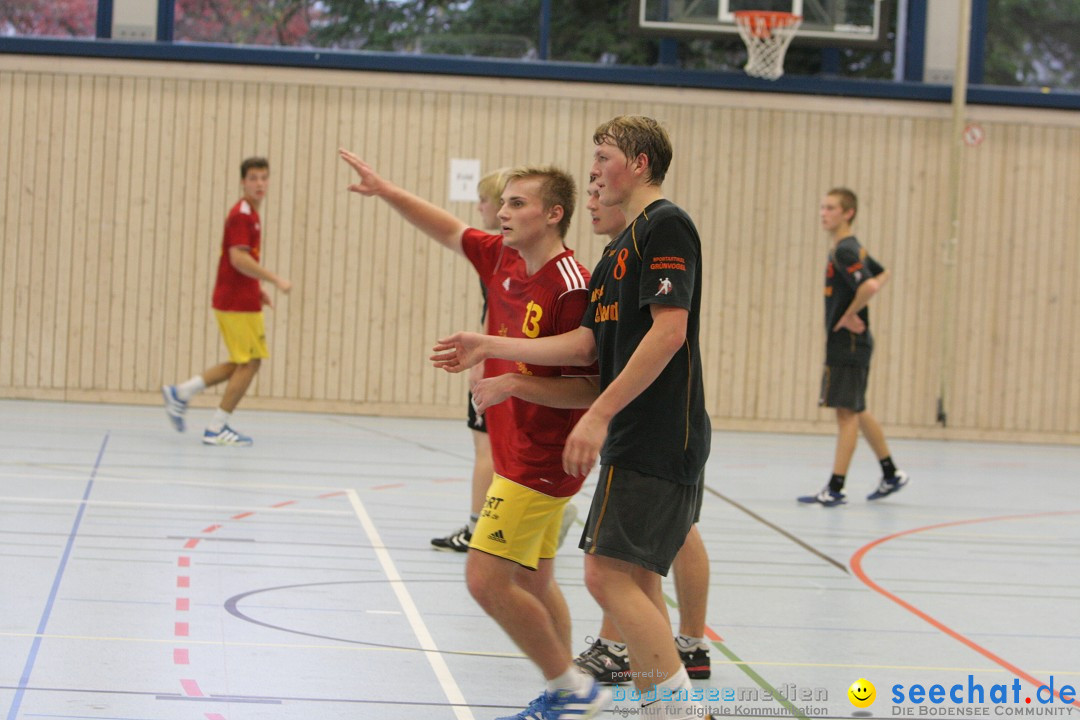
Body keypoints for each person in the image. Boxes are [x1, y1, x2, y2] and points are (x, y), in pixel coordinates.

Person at [433, 115, 711, 720]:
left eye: (603, 162)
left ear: (638, 164)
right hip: (631, 435)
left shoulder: (665, 225)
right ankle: (658, 705)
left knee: (606, 576)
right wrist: (495, 350)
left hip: (657, 431)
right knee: (629, 581)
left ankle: (671, 708)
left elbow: (669, 332)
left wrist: (598, 415)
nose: (592, 179)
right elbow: (587, 354)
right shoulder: (615, 253)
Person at [339, 150, 610, 720]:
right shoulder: (501, 259)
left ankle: (573, 690)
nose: (502, 213)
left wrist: (510, 379)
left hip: (543, 459)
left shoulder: (571, 286)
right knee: (535, 582)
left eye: (517, 203)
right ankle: (570, 686)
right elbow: (448, 228)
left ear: (553, 214)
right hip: (515, 455)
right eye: (503, 202)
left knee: (485, 580)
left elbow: (590, 386)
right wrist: (386, 189)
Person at [162, 157, 292, 446]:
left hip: (241, 297)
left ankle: (181, 393)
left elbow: (242, 263)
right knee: (251, 363)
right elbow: (238, 258)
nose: (260, 184)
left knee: (240, 362)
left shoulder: (252, 214)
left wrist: (256, 287)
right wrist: (274, 279)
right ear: (243, 182)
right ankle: (216, 427)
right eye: (254, 178)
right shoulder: (242, 215)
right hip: (235, 302)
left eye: (264, 178)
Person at [798, 188, 909, 506]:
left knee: (846, 414)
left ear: (848, 213)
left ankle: (836, 488)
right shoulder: (851, 247)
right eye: (822, 207)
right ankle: (890, 473)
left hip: (847, 342)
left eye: (831, 208)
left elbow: (871, 284)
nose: (824, 213)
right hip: (852, 342)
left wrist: (848, 315)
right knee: (857, 408)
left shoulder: (846, 250)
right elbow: (882, 273)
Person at [430, 168, 505, 552]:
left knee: (485, 449)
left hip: (495, 362)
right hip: (508, 360)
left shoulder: (497, 253)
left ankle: (477, 528)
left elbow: (495, 311)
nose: (481, 208)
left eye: (484, 201)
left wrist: (481, 362)